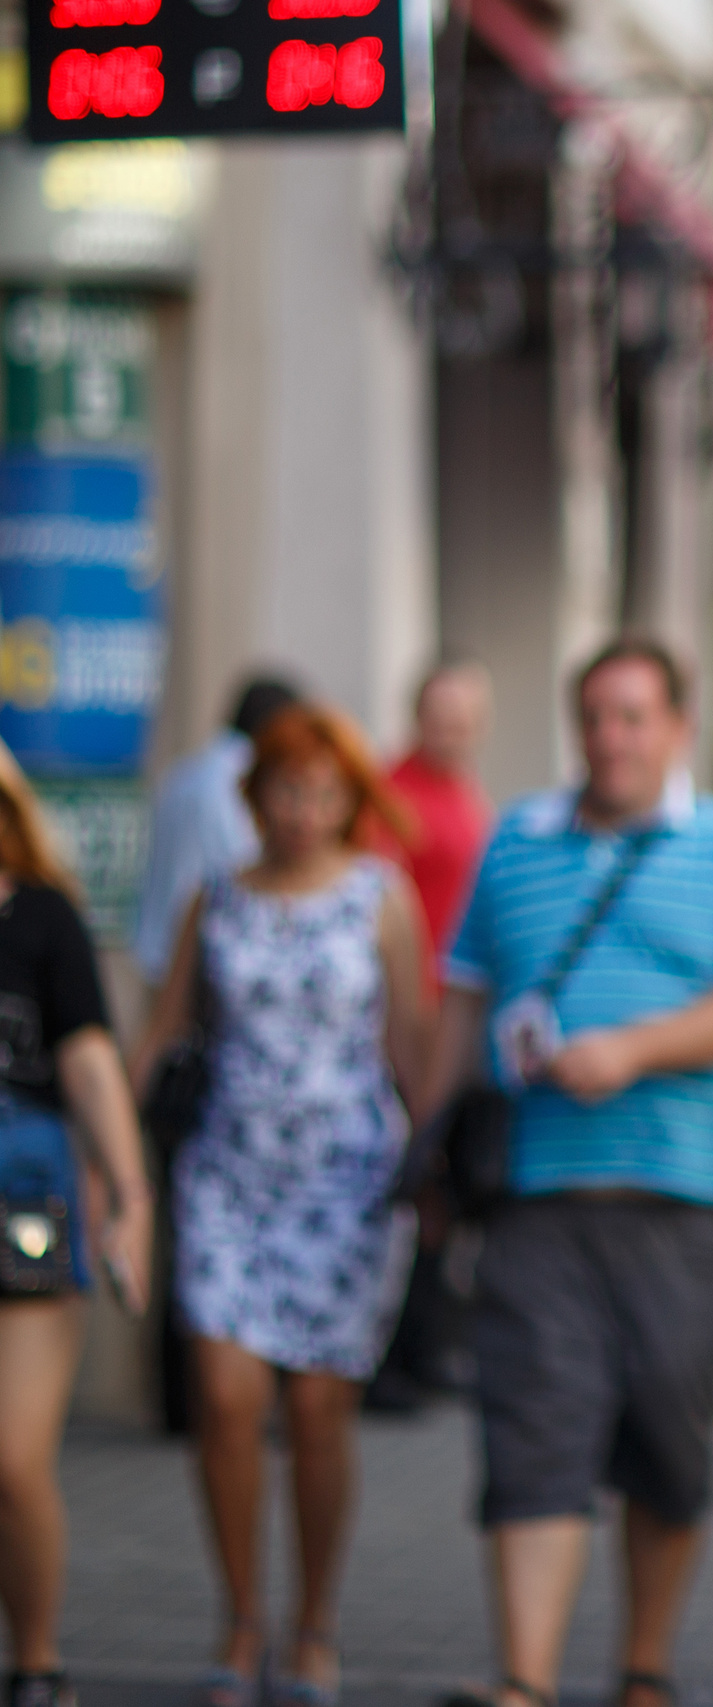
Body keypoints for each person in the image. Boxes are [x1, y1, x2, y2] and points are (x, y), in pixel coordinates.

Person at [424, 638, 713, 1707]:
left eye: (634, 716)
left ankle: (642, 1669)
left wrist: (630, 1050)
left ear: (679, 728)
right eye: (595, 716)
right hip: (537, 1193)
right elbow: (459, 1006)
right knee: (532, 1427)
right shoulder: (515, 842)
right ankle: (525, 1684)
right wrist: (419, 1147)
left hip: (689, 1196)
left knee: (667, 1443)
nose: (611, 739)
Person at [129, 704, 435, 1707]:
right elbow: (163, 1029)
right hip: (228, 1175)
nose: (303, 811)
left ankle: (313, 1624)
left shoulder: (381, 898)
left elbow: (417, 1048)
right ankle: (240, 1619)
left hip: (346, 1182)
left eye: (324, 793)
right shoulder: (213, 900)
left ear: (351, 802)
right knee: (223, 1400)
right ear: (252, 795)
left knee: (315, 1411)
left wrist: (437, 1177)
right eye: (285, 790)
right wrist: (109, 1164)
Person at [0, 742, 154, 1707]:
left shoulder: (43, 916)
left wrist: (131, 1195)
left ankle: (39, 1657)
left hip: (21, 1202)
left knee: (12, 1457)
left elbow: (90, 1061)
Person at [367, 659, 494, 1413]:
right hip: (413, 1021)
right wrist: (409, 1033)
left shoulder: (464, 792)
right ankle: (389, 1355)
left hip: (454, 1014)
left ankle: (426, 1342)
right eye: (440, 713)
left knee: (443, 1188)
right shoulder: (392, 795)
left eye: (466, 714)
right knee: (413, 1182)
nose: (452, 728)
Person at [133, 675, 301, 989]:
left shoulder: (182, 773)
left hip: (157, 952)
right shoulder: (242, 780)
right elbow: (245, 867)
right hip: (208, 964)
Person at [383, 660, 495, 961]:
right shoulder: (390, 794)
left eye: (460, 724)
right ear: (418, 717)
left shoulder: (462, 785)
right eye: (439, 721)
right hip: (422, 979)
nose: (449, 734)